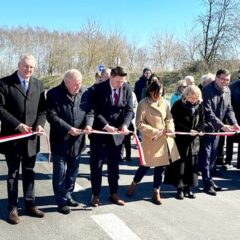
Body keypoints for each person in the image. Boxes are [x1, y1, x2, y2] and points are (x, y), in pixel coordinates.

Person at [0, 54, 46, 224]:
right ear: (18, 65)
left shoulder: (38, 84)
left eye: (32, 67)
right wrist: (18, 124)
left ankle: (30, 204)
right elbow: (1, 109)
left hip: (31, 138)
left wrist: (40, 124)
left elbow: (42, 110)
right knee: (13, 173)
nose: (29, 70)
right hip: (12, 137)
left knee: (29, 171)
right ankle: (12, 207)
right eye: (26, 66)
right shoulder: (4, 83)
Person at [86, 66, 133, 207]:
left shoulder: (126, 89)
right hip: (100, 133)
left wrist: (125, 124)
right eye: (118, 81)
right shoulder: (97, 89)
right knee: (97, 166)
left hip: (117, 136)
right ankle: (95, 195)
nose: (121, 84)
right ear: (111, 77)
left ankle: (113, 193)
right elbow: (95, 111)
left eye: (123, 81)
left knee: (114, 166)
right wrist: (106, 126)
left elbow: (129, 110)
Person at [126, 79, 179, 205]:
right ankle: (134, 183)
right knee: (145, 165)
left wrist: (170, 129)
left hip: (164, 139)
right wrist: (155, 131)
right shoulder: (143, 104)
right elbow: (139, 123)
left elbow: (169, 118)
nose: (159, 96)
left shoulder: (165, 103)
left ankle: (156, 191)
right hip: (151, 139)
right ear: (150, 91)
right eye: (156, 93)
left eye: (161, 93)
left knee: (161, 167)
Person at [46, 69, 90, 214]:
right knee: (60, 172)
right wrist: (68, 128)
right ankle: (61, 201)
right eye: (75, 84)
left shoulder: (84, 93)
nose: (78, 87)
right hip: (60, 140)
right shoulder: (53, 94)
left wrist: (88, 124)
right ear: (66, 82)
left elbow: (90, 112)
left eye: (80, 83)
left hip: (78, 141)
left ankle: (68, 195)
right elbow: (51, 116)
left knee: (73, 171)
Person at [198, 69, 240, 196]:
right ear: (216, 78)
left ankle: (210, 180)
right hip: (206, 128)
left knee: (213, 157)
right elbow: (208, 112)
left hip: (218, 129)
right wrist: (222, 126)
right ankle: (206, 183)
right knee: (206, 156)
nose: (225, 82)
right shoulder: (206, 90)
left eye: (227, 79)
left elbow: (229, 108)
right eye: (223, 79)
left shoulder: (227, 90)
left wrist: (234, 123)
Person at [164, 85, 204, 200]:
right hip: (181, 140)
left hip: (194, 141)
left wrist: (200, 130)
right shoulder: (178, 105)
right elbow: (174, 122)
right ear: (186, 95)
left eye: (195, 98)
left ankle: (188, 188)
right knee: (180, 165)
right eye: (191, 97)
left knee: (191, 166)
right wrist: (188, 131)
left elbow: (202, 120)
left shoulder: (200, 105)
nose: (193, 100)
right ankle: (179, 188)